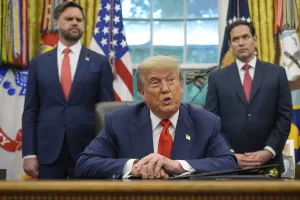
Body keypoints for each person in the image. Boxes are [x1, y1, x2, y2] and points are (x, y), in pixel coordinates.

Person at [75, 56, 237, 179]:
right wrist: (133, 167)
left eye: (171, 80)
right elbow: (85, 164)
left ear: (181, 87)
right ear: (143, 93)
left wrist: (178, 166)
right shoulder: (119, 122)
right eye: (155, 83)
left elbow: (228, 163)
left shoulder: (205, 123)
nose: (165, 89)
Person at [22, 1, 115, 179]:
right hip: (47, 152)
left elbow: (106, 113)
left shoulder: (99, 62)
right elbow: (30, 111)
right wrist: (29, 153)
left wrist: (106, 152)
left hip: (88, 151)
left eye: (79, 20)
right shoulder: (39, 63)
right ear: (56, 23)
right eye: (69, 18)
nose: (75, 22)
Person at [205, 20, 292, 173]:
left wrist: (268, 151)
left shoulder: (277, 73)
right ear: (230, 45)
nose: (241, 43)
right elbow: (212, 122)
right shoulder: (216, 78)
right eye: (235, 39)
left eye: (245, 37)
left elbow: (284, 116)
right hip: (229, 165)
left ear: (255, 39)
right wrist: (230, 154)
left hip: (269, 164)